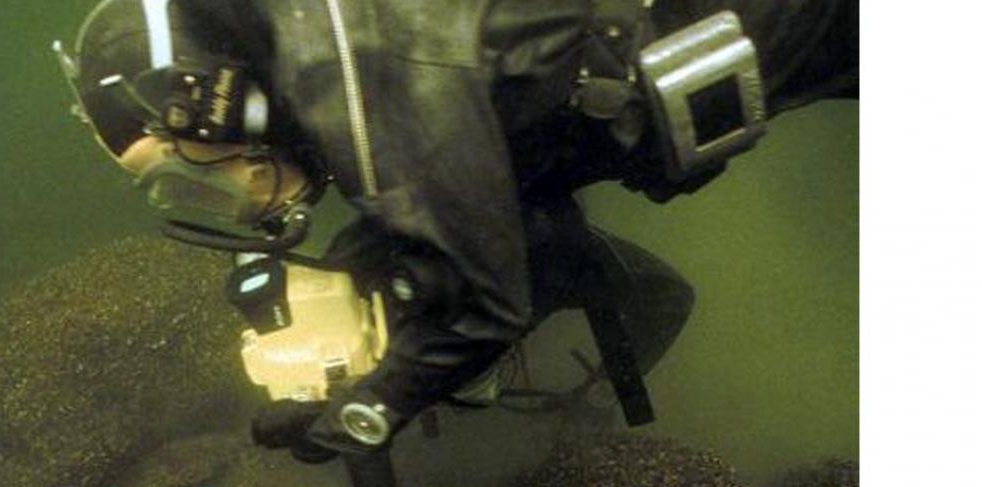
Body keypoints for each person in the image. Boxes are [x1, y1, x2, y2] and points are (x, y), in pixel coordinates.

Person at [54, 0, 857, 460]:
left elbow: (486, 310)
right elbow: (469, 171)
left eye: (186, 174)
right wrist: (353, 272)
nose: (218, 196)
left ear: (211, 99)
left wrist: (360, 414)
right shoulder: (314, 38)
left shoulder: (354, 79)